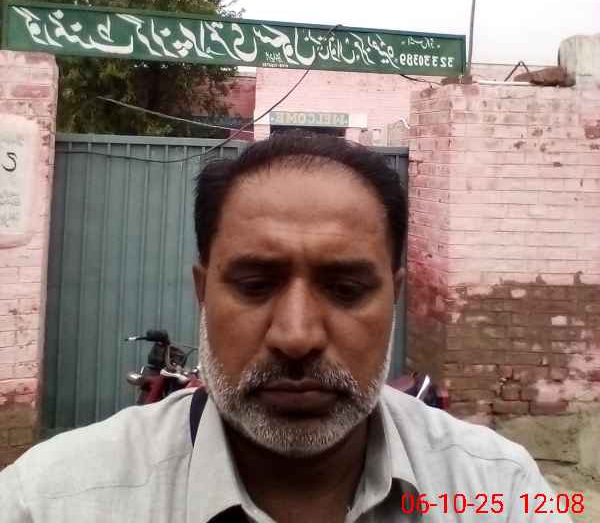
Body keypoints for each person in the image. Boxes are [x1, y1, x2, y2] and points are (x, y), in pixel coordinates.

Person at [0, 132, 571, 522]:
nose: (296, 337)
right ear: (203, 292)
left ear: (394, 297)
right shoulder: (50, 502)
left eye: (345, 289)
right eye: (255, 285)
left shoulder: (499, 491)